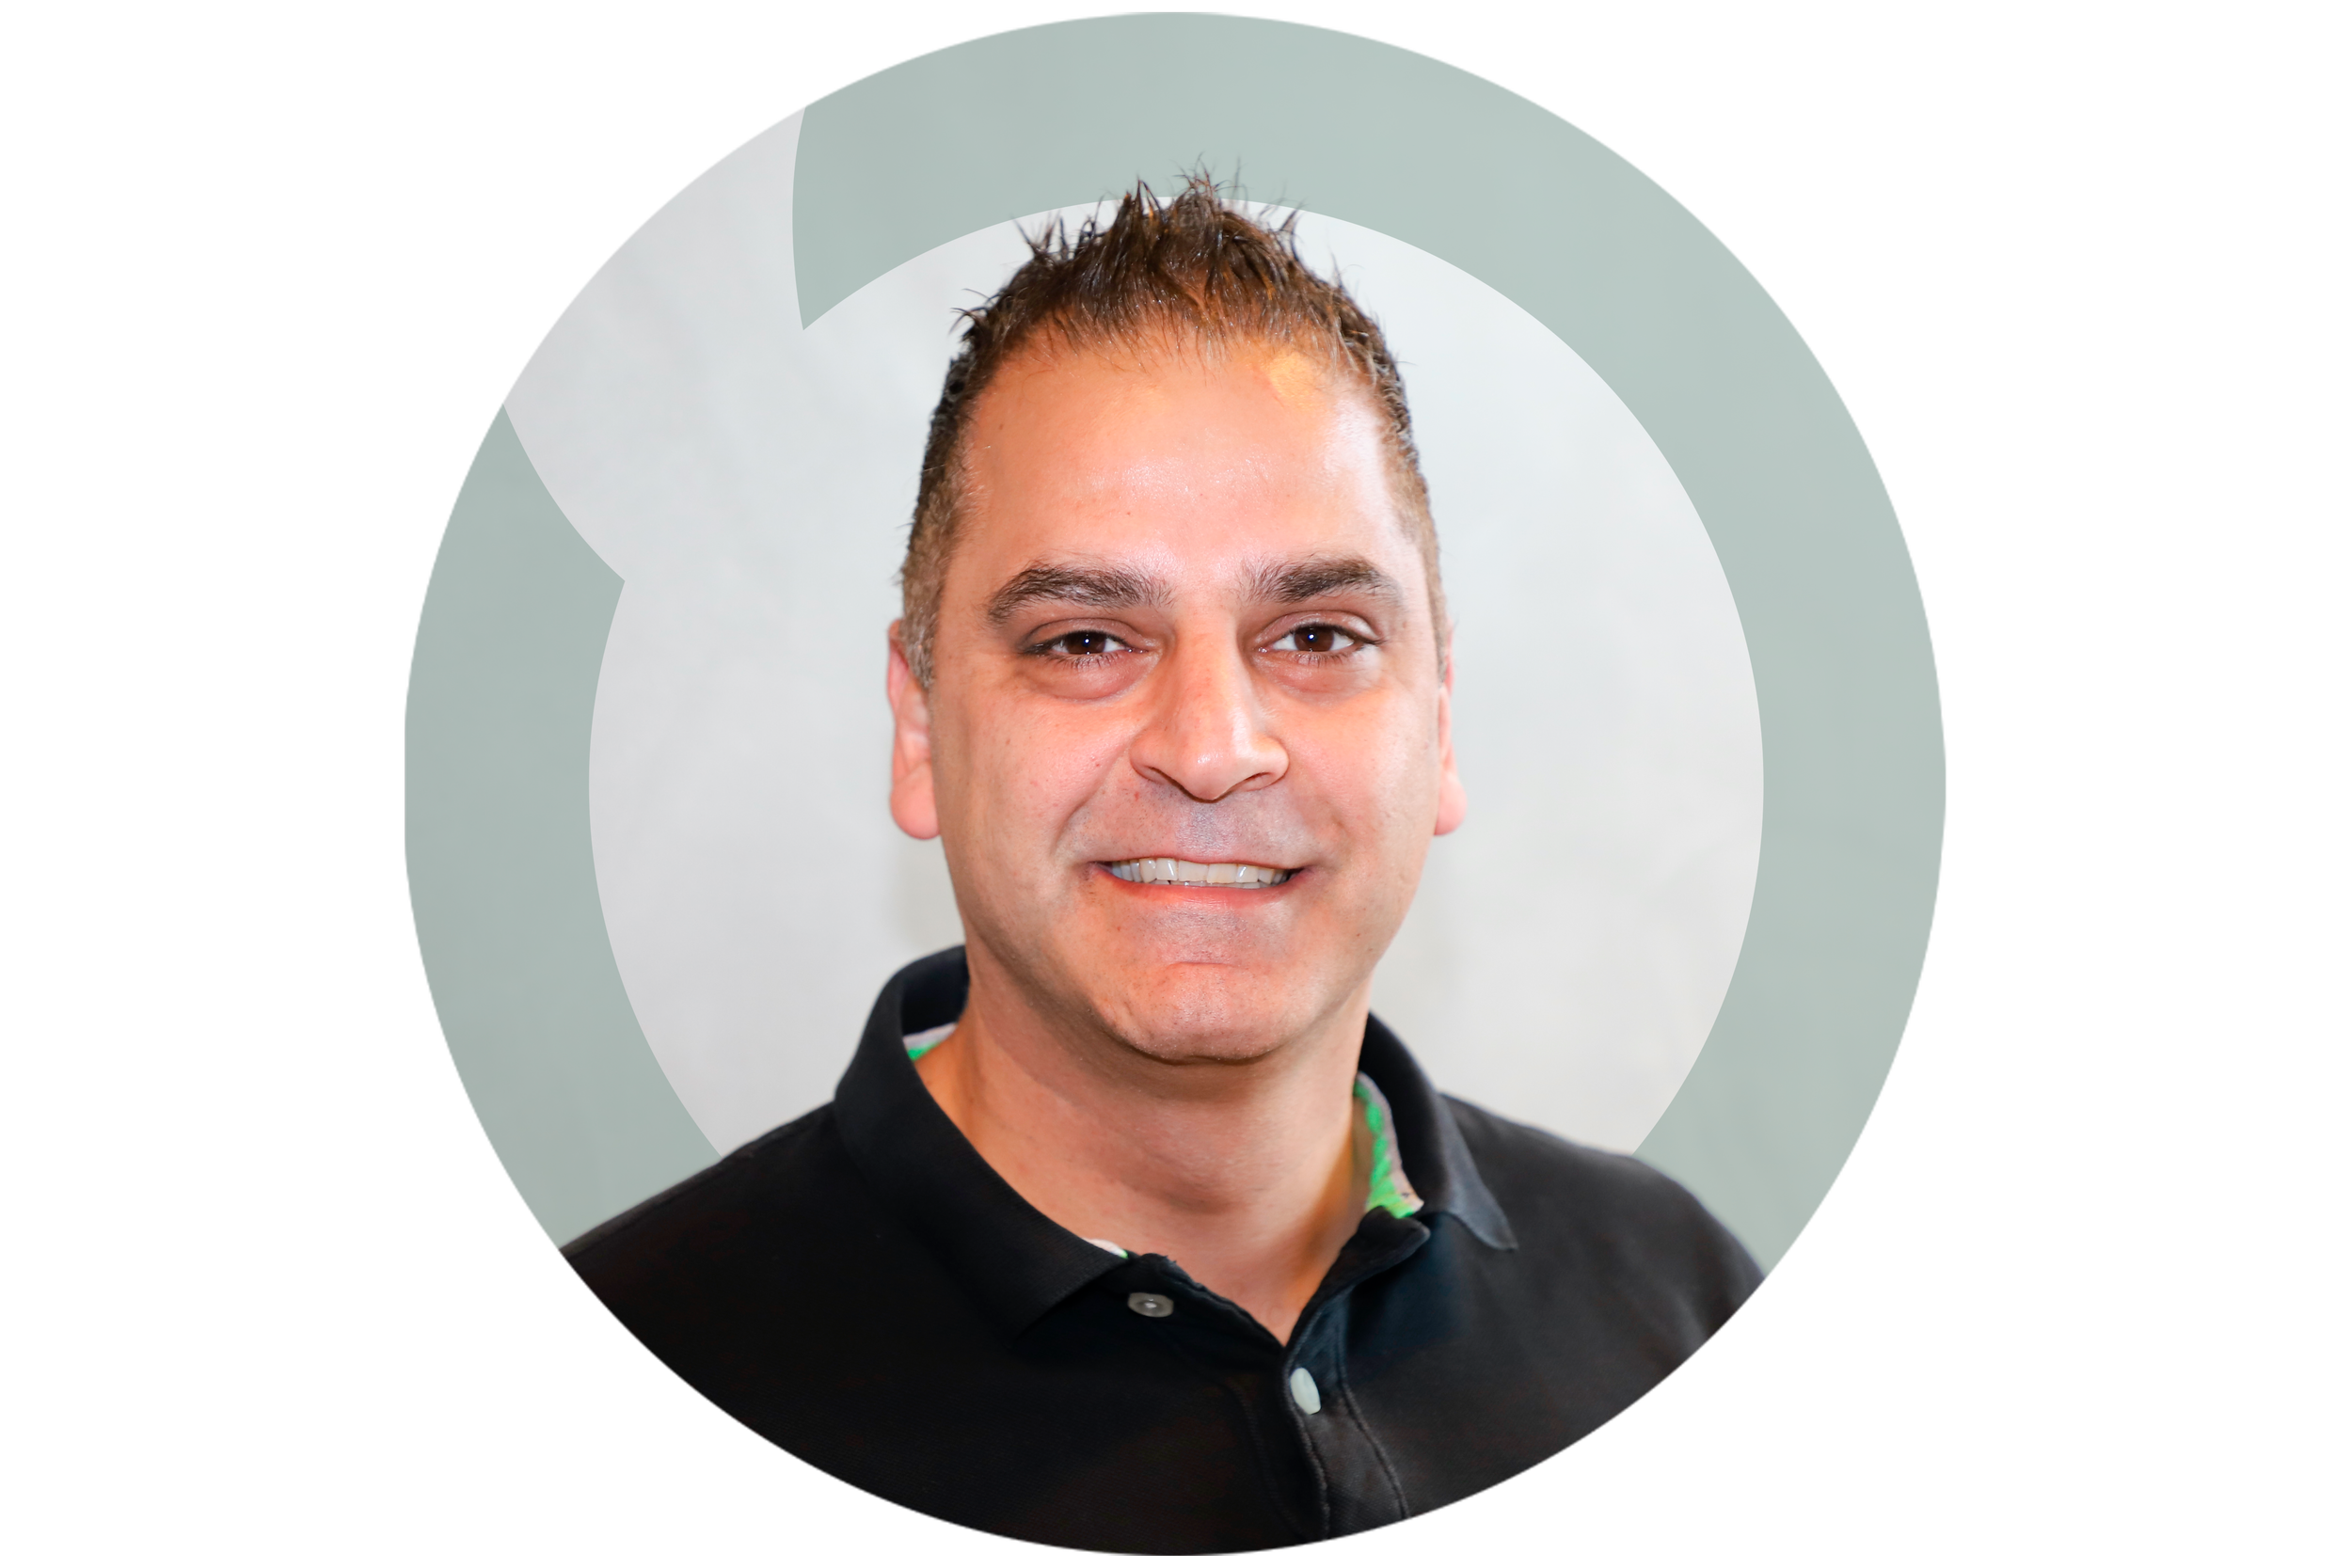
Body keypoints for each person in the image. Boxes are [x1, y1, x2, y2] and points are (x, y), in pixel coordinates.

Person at [491, 177, 1773, 1553]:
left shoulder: (1692, 1324)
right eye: (1086, 640)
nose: (1213, 749)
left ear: (1440, 719)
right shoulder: (588, 1427)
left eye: (1318, 636)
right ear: (920, 725)